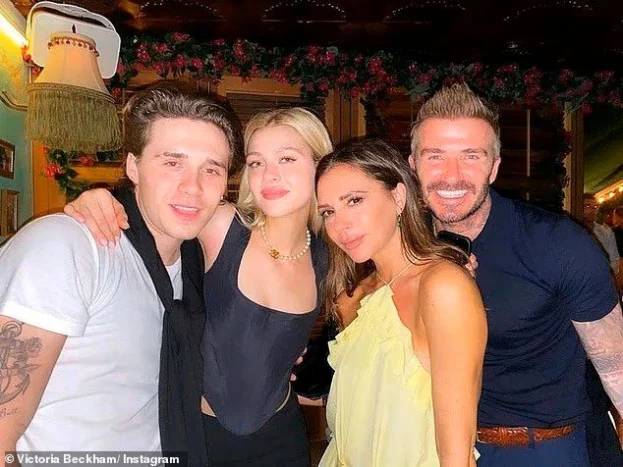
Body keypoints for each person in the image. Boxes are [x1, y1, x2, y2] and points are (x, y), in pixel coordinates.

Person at [64, 107, 333, 466]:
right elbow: (155, 215)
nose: (269, 174)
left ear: (320, 166)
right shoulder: (223, 225)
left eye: (287, 158)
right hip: (202, 437)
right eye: (256, 162)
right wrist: (103, 199)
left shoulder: (326, 254)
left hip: (282, 439)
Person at [0, 85, 240, 464]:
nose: (193, 187)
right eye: (172, 162)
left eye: (211, 169)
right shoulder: (67, 247)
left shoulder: (198, 264)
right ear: (132, 166)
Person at [408, 83, 623, 467]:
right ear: (413, 165)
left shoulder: (557, 243)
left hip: (540, 449)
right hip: (433, 445)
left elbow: (616, 367)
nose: (451, 176)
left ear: (493, 167)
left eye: (471, 156)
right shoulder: (406, 245)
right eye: (435, 156)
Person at [315, 138, 487, 466]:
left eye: (354, 200)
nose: (340, 225)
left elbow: (457, 453)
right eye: (329, 212)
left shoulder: (443, 287)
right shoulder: (352, 298)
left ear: (397, 197)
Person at [583, 193, 620, 275]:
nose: (592, 210)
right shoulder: (574, 230)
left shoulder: (606, 232)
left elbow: (614, 260)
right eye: (587, 206)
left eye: (595, 207)